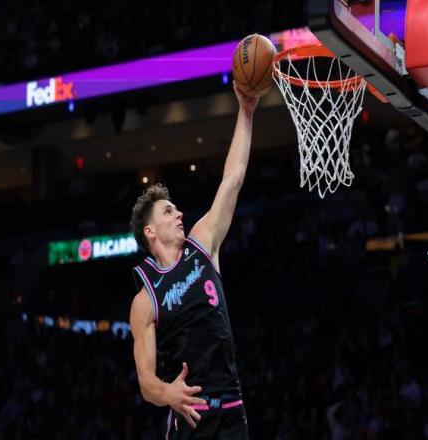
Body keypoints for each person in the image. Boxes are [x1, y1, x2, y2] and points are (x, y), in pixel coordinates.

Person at [129, 82, 258, 439]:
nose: (179, 214)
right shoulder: (145, 299)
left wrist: (246, 113)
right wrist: (166, 393)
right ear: (150, 232)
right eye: (168, 211)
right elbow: (146, 381)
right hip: (191, 417)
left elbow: (232, 179)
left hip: (232, 410)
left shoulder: (201, 244)